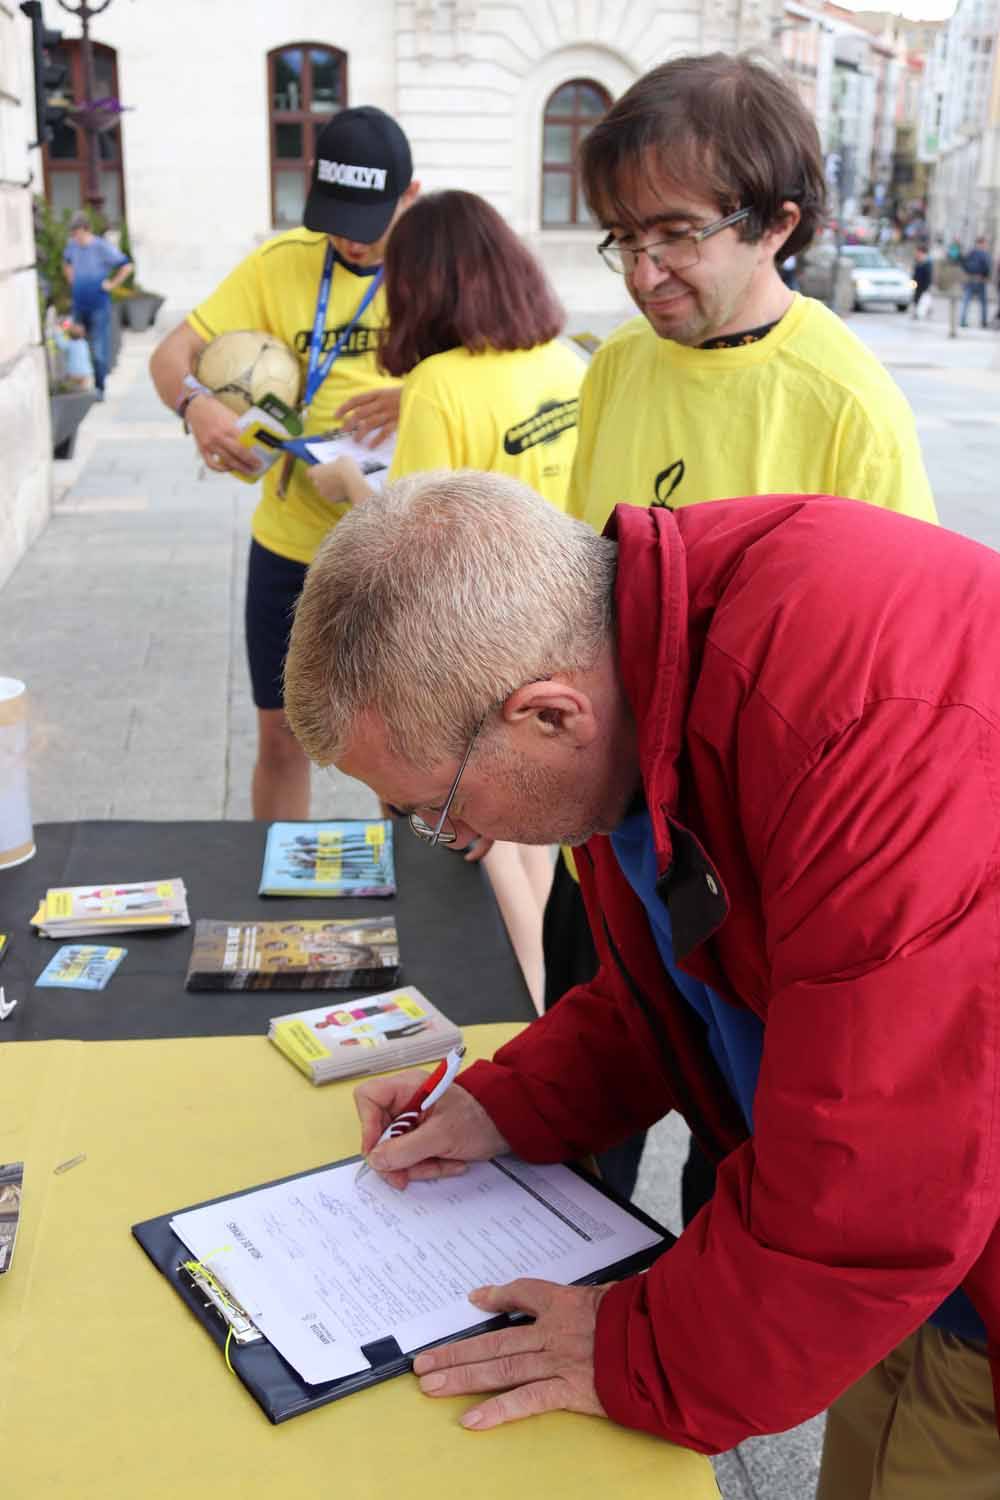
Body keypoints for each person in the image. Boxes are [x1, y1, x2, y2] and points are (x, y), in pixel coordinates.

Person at [284, 468, 1000, 1499]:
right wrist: (507, 1103)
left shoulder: (865, 724)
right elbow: (688, 980)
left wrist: (641, 1352)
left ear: (545, 714)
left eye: (437, 809)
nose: (458, 840)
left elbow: (882, 1172)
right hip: (902, 1263)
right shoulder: (639, 663)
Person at [546, 51, 937, 1203]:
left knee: (736, 1159)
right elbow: (583, 591)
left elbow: (888, 680)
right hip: (607, 840)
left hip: (747, 876)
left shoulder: (843, 401)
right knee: (579, 1134)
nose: (642, 272)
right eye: (620, 238)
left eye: (671, 235)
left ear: (776, 223)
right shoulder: (617, 367)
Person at [309, 189, 585, 1010]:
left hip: (473, 645)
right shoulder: (559, 362)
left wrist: (348, 481)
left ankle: (524, 1018)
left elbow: (417, 548)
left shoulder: (440, 384)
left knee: (488, 837)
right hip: (557, 624)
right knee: (537, 839)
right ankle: (552, 1012)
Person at [150, 106, 420, 819]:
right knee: (282, 740)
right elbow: (169, 354)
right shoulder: (281, 263)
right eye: (335, 219)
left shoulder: (442, 268)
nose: (350, 241)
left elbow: (503, 367)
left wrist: (417, 394)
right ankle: (277, 907)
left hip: (393, 544)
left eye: (369, 224)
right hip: (291, 543)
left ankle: (411, 907)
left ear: (411, 198)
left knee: (408, 745)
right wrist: (195, 405)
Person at [62, 210, 133, 397]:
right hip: (79, 304)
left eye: (77, 233)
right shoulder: (72, 246)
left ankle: (100, 387)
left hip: (98, 306)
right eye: (73, 233)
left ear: (86, 230)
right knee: (77, 345)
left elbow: (126, 265)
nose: (75, 237)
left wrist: (112, 284)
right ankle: (81, 384)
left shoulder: (101, 247)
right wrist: (72, 281)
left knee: (98, 350)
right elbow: (67, 263)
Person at [960, 236, 991, 328]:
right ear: (982, 243)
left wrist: (967, 272)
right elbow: (987, 267)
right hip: (980, 279)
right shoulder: (984, 254)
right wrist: (985, 276)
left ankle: (963, 320)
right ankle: (983, 321)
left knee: (966, 301)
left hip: (970, 278)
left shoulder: (971, 253)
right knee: (983, 303)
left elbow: (964, 263)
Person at [911, 244, 933, 319]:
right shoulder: (918, 260)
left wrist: (927, 286)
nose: (917, 253)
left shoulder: (927, 262)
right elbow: (915, 273)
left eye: (918, 252)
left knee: (922, 299)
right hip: (917, 284)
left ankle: (924, 312)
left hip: (923, 285)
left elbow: (928, 275)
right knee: (916, 299)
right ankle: (916, 313)